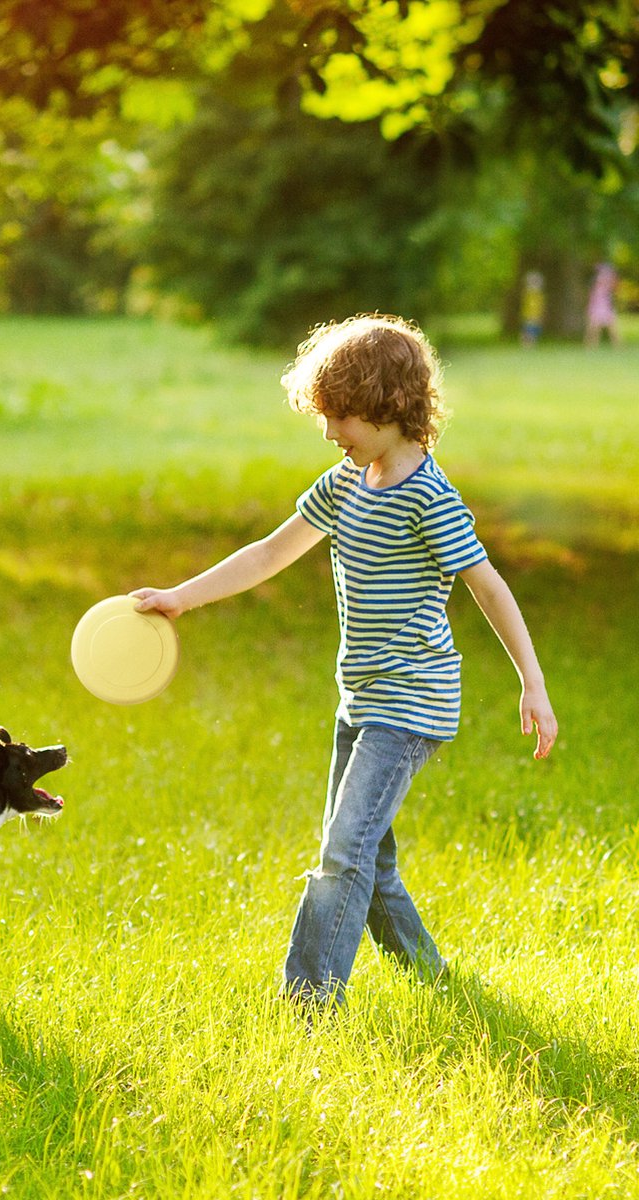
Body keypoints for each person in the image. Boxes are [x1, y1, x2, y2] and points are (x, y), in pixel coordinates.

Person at [130, 314, 558, 1017]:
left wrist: (532, 684)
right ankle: (430, 975)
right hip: (358, 700)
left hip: (411, 704)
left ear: (390, 406)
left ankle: (306, 1007)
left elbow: (488, 584)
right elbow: (270, 552)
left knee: (342, 852)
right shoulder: (346, 483)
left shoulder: (429, 498)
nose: (330, 433)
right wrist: (181, 597)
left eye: (341, 417)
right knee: (370, 856)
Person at [585, 262, 620, 347]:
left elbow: (615, 285)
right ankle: (590, 346)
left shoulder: (607, 286)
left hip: (606, 308)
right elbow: (591, 297)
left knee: (612, 328)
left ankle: (618, 346)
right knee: (594, 329)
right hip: (597, 308)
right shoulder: (597, 285)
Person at [520, 270, 545, 348]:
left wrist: (540, 315)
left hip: (536, 315)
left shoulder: (539, 295)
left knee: (534, 330)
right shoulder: (528, 294)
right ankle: (526, 344)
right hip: (529, 315)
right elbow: (526, 305)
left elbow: (540, 306)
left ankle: (531, 343)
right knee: (528, 329)